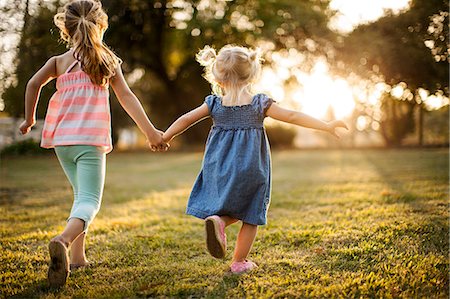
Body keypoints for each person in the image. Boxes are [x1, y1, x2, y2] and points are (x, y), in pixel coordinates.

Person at [19, 0, 167, 287]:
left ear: (66, 28)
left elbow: (32, 85)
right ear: (101, 25)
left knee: (79, 197)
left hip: (63, 142)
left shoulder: (58, 62)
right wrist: (150, 132)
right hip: (90, 141)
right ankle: (62, 240)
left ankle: (77, 258)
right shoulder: (106, 60)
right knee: (90, 201)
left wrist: (29, 120)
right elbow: (126, 97)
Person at [162, 45, 347, 274]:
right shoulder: (260, 104)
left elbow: (186, 119)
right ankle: (239, 262)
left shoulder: (214, 104)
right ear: (251, 75)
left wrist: (165, 136)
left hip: (218, 166)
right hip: (252, 166)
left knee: (230, 205)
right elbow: (292, 115)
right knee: (251, 213)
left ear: (218, 79)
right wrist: (325, 126)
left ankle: (219, 221)